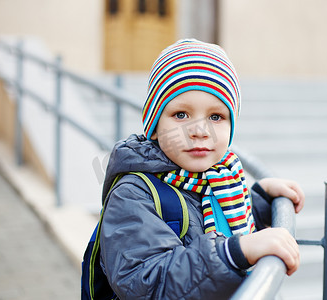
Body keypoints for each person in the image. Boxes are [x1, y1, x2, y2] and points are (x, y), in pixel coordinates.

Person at [99, 39, 305, 299]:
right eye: (181, 115)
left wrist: (257, 201)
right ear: (154, 123)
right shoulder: (134, 193)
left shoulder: (221, 177)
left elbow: (207, 215)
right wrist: (233, 253)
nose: (199, 131)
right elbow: (146, 283)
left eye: (216, 117)